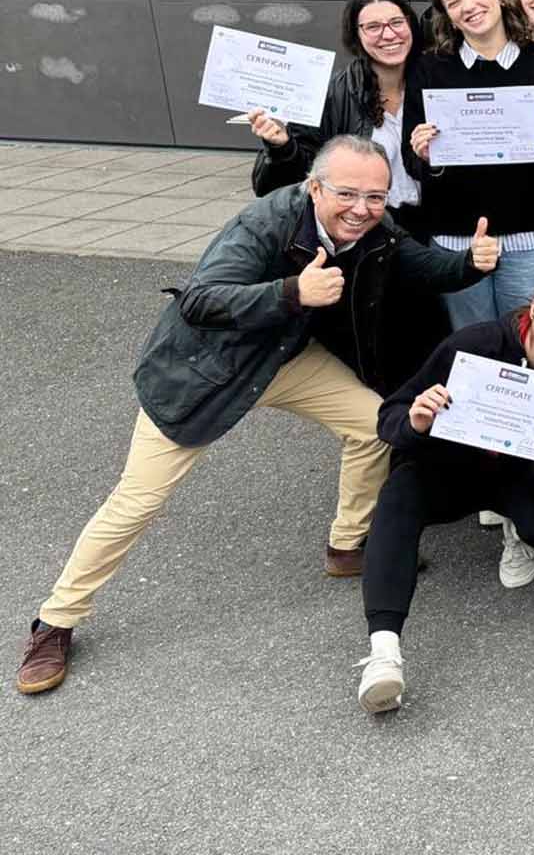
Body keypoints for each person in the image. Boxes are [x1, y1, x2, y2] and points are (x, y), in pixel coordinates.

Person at [15, 136, 495, 696]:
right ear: (314, 188)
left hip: (284, 358)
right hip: (206, 370)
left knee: (375, 425)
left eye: (375, 196)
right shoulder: (263, 224)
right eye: (346, 194)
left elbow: (422, 265)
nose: (361, 208)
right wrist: (293, 292)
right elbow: (200, 299)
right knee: (137, 499)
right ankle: (56, 620)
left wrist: (470, 263)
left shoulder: (375, 228)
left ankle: (347, 545)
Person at [352, 268, 534, 713]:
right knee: (396, 498)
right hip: (451, 467)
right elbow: (390, 415)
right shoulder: (475, 344)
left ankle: (514, 526)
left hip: (520, 475)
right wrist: (416, 420)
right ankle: (383, 653)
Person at [245, 0, 446, 391]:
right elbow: (281, 186)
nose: (388, 35)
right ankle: (384, 420)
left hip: (431, 225)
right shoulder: (334, 93)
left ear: (411, 24)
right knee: (380, 341)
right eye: (373, 27)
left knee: (434, 334)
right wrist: (281, 148)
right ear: (356, 36)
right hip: (367, 230)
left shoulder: (437, 80)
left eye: (396, 22)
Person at [403, 0, 534, 331]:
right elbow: (410, 160)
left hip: (533, 240)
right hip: (457, 242)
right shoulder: (428, 70)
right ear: (448, 17)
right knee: (471, 345)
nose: (468, 6)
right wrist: (428, 158)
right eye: (454, 2)